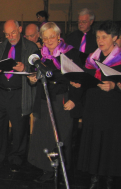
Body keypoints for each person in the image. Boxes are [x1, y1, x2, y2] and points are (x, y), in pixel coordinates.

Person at [26, 22, 82, 183]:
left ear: (59, 36)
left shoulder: (70, 54)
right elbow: (34, 77)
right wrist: (32, 79)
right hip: (43, 99)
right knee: (44, 137)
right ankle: (46, 170)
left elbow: (79, 80)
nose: (49, 40)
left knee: (60, 136)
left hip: (62, 100)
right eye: (46, 38)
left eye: (52, 36)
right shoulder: (39, 56)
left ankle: (61, 169)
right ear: (42, 39)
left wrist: (74, 99)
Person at [0, 20, 38, 172]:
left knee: (19, 129)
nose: (10, 36)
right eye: (7, 34)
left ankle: (16, 159)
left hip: (19, 93)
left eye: (13, 32)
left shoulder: (30, 47)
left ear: (20, 29)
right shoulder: (1, 47)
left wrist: (25, 67)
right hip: (0, 92)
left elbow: (37, 69)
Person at [73, 21, 121, 189]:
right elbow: (86, 76)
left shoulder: (120, 57)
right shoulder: (93, 56)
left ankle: (109, 176)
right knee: (94, 140)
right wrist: (79, 82)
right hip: (93, 105)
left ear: (115, 38)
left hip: (112, 107)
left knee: (109, 141)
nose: (100, 40)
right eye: (98, 37)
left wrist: (114, 85)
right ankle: (94, 175)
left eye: (104, 37)